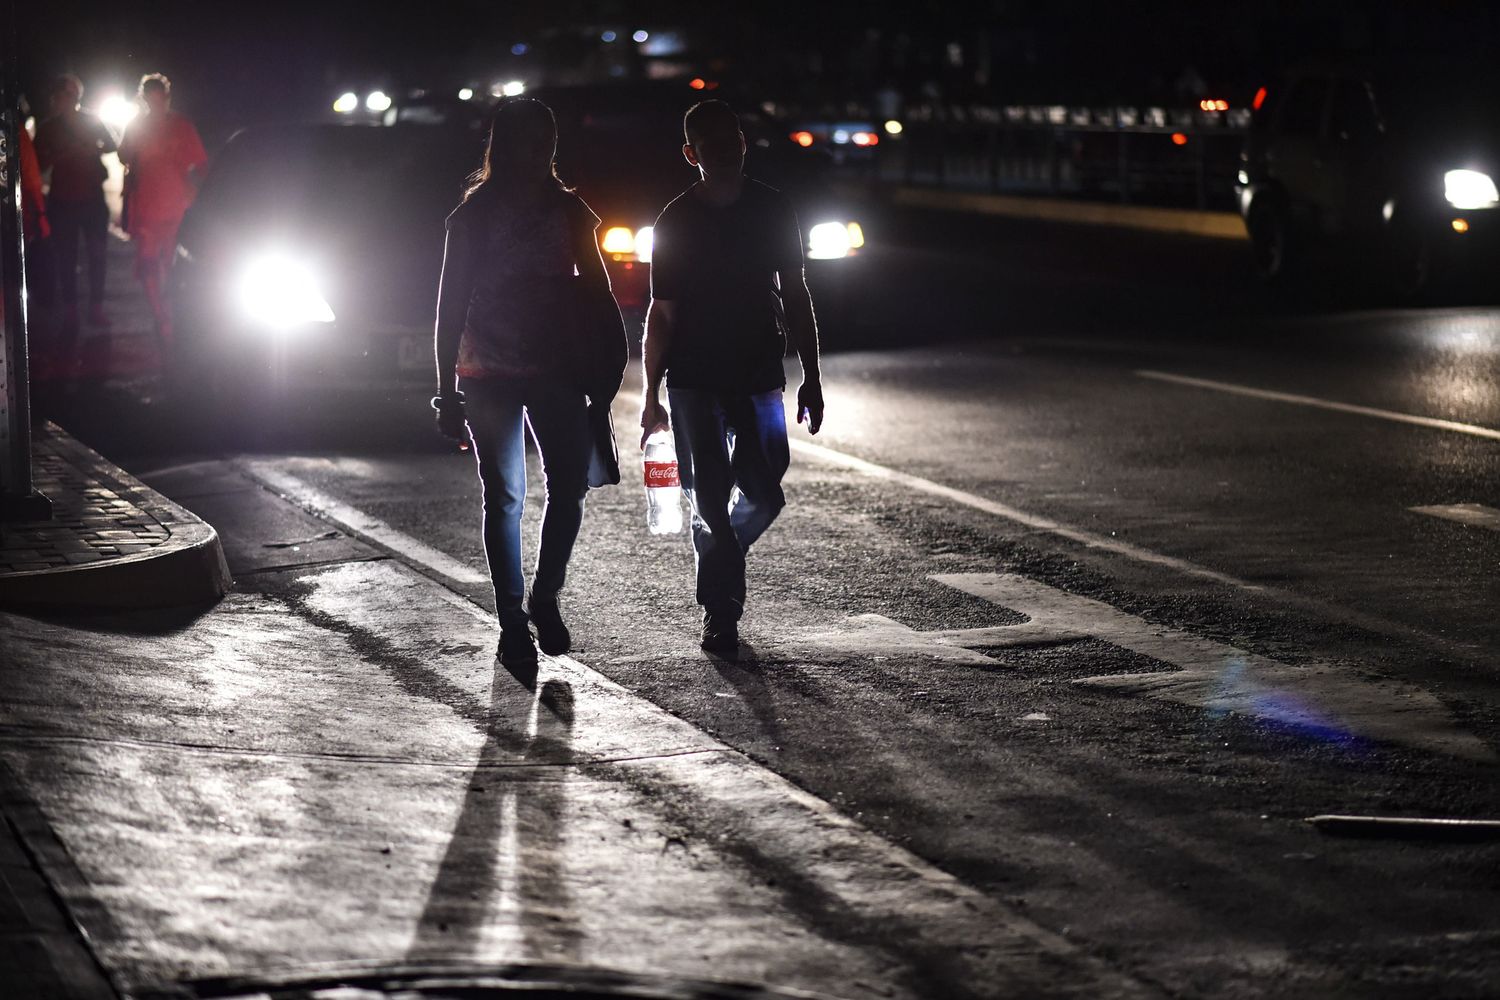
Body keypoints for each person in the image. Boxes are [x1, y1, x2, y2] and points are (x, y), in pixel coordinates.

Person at [432, 97, 618, 669]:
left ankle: (545, 596)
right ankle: (512, 618)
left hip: (557, 367)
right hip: (486, 370)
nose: (536, 154)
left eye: (546, 143)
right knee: (504, 495)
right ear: (501, 146)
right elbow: (450, 305)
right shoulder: (472, 216)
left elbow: (599, 293)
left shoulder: (570, 211)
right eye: (524, 142)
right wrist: (445, 389)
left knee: (569, 487)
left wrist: (610, 369)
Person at [639, 99, 825, 654]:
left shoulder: (772, 208)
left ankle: (720, 554)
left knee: (767, 491)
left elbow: (795, 292)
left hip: (758, 371)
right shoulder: (675, 220)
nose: (724, 147)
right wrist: (650, 396)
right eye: (709, 140)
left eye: (732, 136)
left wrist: (812, 374)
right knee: (710, 496)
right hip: (694, 376)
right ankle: (721, 611)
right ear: (690, 153)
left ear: (743, 143)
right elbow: (661, 314)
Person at [117, 73, 208, 347]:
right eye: (152, 100)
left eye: (160, 99)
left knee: (169, 263)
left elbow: (201, 165)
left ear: (166, 98)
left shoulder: (181, 126)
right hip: (148, 207)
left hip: (176, 207)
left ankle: (168, 312)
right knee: (149, 263)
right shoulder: (139, 126)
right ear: (145, 99)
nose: (156, 105)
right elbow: (124, 155)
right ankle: (162, 314)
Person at [33, 74, 115, 332]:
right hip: (63, 200)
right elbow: (36, 165)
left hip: (92, 199)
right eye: (58, 95)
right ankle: (71, 311)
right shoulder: (48, 128)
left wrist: (91, 147)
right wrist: (61, 153)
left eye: (64, 95)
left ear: (74, 97)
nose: (60, 100)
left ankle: (96, 308)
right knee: (66, 258)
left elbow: (111, 145)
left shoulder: (91, 121)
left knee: (97, 255)